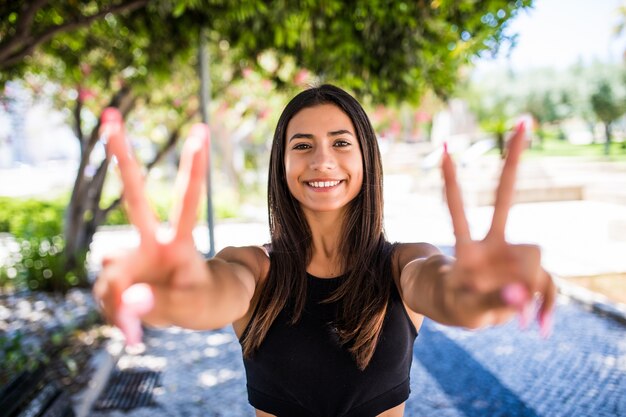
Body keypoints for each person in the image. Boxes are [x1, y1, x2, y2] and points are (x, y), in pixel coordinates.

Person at [94, 84, 556, 417]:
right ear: (282, 163)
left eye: (340, 142)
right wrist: (175, 293)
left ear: (365, 158)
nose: (322, 160)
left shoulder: (402, 264)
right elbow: (212, 294)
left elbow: (445, 290)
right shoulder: (253, 267)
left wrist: (475, 296)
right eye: (303, 145)